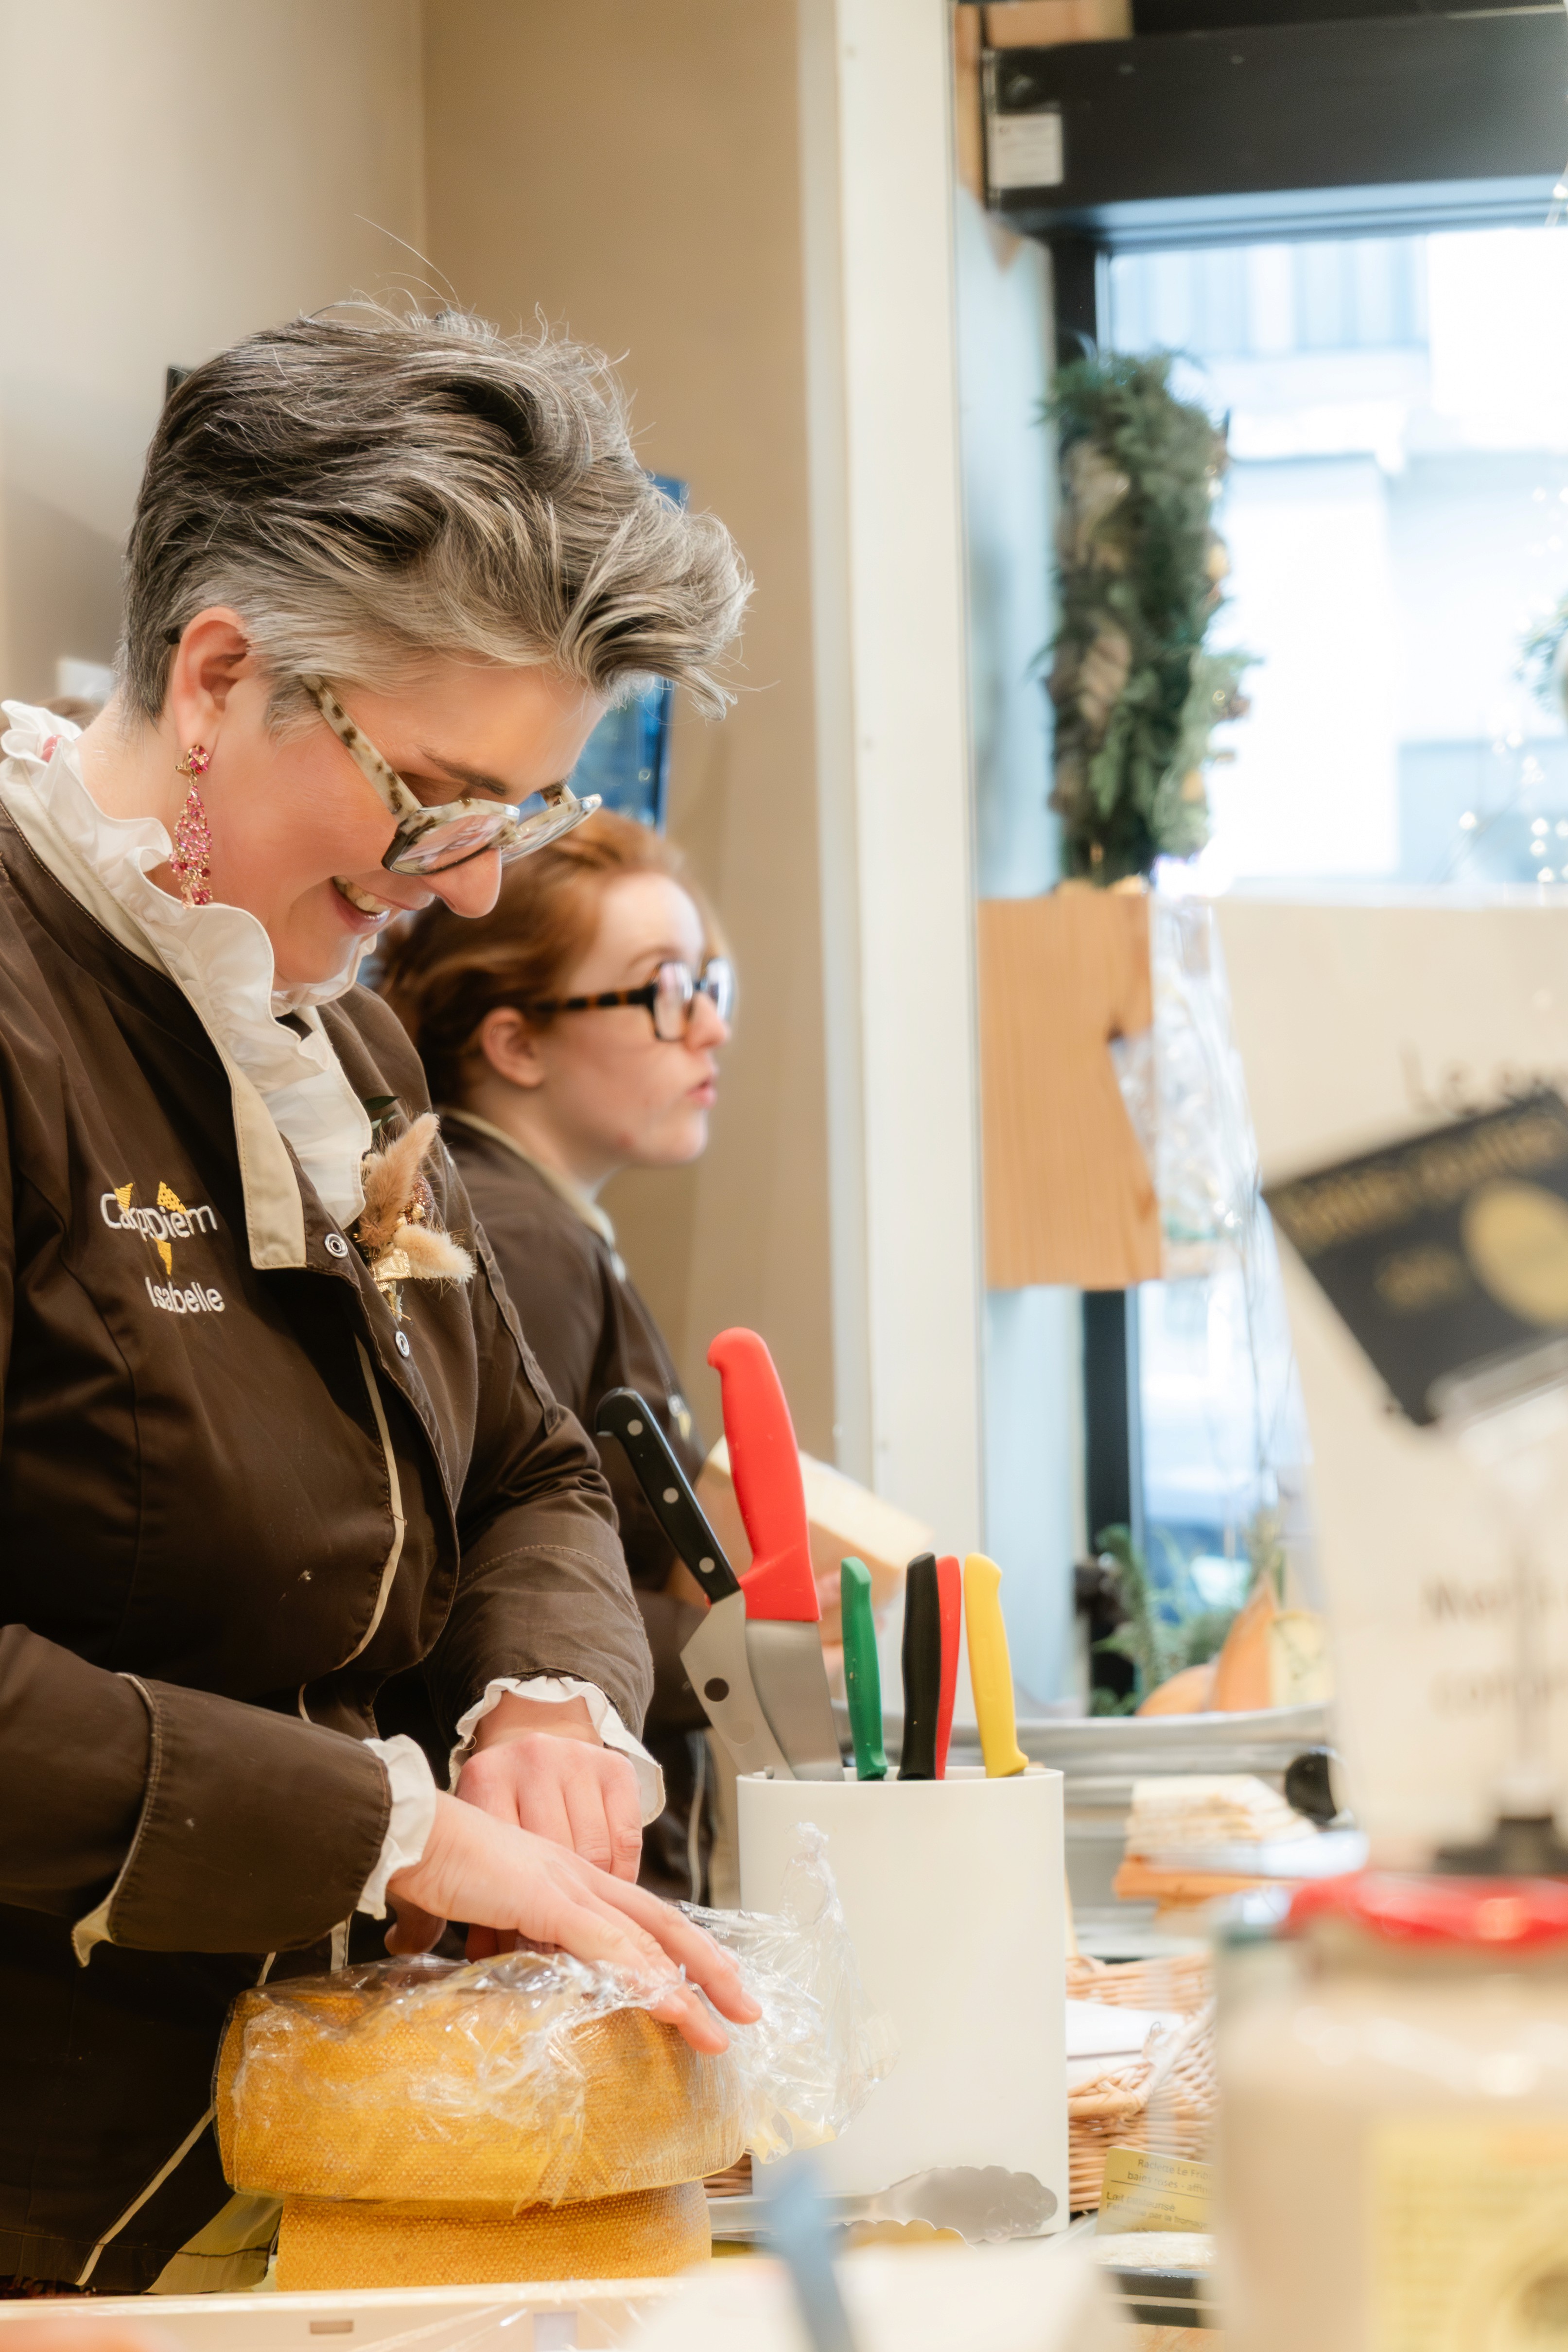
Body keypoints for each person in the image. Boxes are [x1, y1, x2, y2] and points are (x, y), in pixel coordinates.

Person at [0, 304, 758, 2297]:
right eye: (433, 796)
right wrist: (383, 1829)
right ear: (221, 673)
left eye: (511, 808)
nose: (476, 887)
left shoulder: (340, 1055)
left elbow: (526, 1465)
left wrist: (542, 1696)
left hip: (311, 2192)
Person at [380, 816, 732, 1902]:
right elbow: (469, 1584)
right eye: (664, 989)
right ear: (514, 1042)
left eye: (712, 982)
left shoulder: (539, 1224)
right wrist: (750, 1653)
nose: (709, 1027)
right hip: (520, 1883)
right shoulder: (521, 1240)